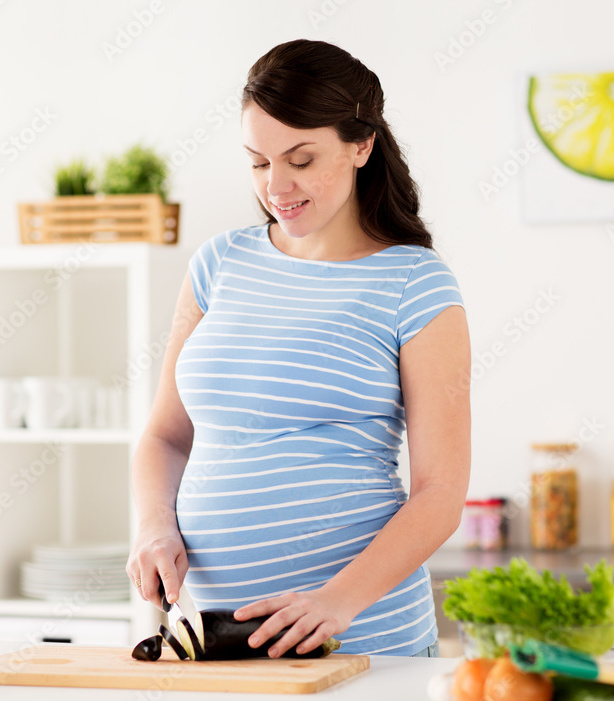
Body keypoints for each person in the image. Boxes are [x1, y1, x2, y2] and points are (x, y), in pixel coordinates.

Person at [126, 38, 471, 658]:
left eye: (302, 159)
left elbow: (440, 494)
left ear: (361, 145)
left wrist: (336, 601)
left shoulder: (414, 282)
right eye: (258, 163)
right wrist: (153, 525)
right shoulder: (218, 264)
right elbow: (165, 437)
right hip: (211, 638)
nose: (277, 186)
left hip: (361, 639)